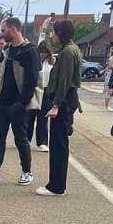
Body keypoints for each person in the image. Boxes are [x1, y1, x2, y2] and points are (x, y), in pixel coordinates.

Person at [0, 17, 41, 186]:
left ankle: (27, 172)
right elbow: (0, 73)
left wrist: (22, 104)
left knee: (21, 139)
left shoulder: (29, 51)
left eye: (3, 31)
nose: (1, 34)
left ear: (13, 29)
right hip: (1, 103)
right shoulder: (8, 50)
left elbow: (32, 80)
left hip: (18, 104)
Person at [38, 19, 81, 196]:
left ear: (61, 33)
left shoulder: (67, 53)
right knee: (58, 142)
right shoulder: (70, 49)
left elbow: (64, 81)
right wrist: (44, 28)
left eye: (54, 32)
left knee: (58, 144)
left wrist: (56, 105)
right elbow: (47, 44)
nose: (52, 35)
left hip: (63, 101)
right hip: (66, 100)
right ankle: (56, 183)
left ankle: (56, 186)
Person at [29, 42, 53, 152]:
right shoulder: (34, 61)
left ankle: (42, 142)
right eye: (41, 52)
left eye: (45, 52)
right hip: (35, 90)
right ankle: (26, 139)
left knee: (43, 118)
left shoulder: (53, 63)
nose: (43, 54)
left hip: (47, 91)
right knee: (30, 116)